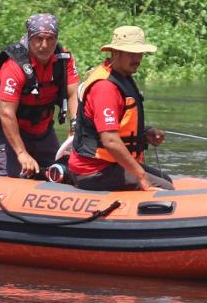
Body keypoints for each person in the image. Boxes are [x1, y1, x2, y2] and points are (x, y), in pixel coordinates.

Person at [67, 25, 174, 191]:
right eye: (132, 53)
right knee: (165, 188)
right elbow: (110, 140)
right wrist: (140, 175)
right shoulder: (105, 87)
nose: (137, 58)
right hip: (93, 170)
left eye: (140, 53)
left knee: (164, 179)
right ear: (116, 52)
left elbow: (119, 124)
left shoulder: (122, 77)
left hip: (111, 164)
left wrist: (145, 133)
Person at [0, 13, 79, 178]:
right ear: (30, 38)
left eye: (50, 39)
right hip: (8, 129)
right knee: (8, 177)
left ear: (56, 38)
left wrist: (75, 127)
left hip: (42, 128)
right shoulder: (15, 65)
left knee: (56, 174)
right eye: (38, 39)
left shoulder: (64, 60)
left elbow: (73, 93)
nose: (44, 45)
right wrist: (21, 152)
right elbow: (6, 113)